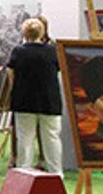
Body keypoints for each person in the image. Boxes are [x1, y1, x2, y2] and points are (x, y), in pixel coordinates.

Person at [7, 18, 62, 174]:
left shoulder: (18, 51)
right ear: (42, 33)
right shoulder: (52, 51)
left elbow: (11, 73)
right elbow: (59, 70)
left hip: (24, 101)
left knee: (25, 138)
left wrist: (13, 91)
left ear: (24, 33)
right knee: (52, 138)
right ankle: (56, 172)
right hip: (50, 101)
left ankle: (23, 171)